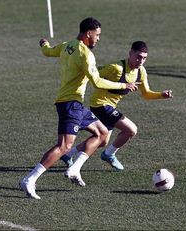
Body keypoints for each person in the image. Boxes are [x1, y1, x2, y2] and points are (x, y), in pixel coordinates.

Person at [19, 17, 138, 199]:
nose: (98, 39)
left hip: (74, 104)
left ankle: (74, 169)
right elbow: (97, 82)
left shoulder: (68, 45)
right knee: (64, 146)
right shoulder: (85, 54)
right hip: (70, 104)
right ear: (88, 33)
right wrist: (123, 86)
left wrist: (44, 43)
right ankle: (30, 179)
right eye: (97, 35)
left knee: (102, 133)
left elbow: (48, 52)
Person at [61, 41, 173, 172]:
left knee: (102, 141)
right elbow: (93, 74)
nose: (140, 61)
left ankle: (68, 154)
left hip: (109, 107)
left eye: (144, 58)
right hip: (99, 105)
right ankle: (109, 155)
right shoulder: (116, 68)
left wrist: (161, 95)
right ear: (130, 53)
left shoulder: (141, 72)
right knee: (131, 130)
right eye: (138, 56)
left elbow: (146, 94)